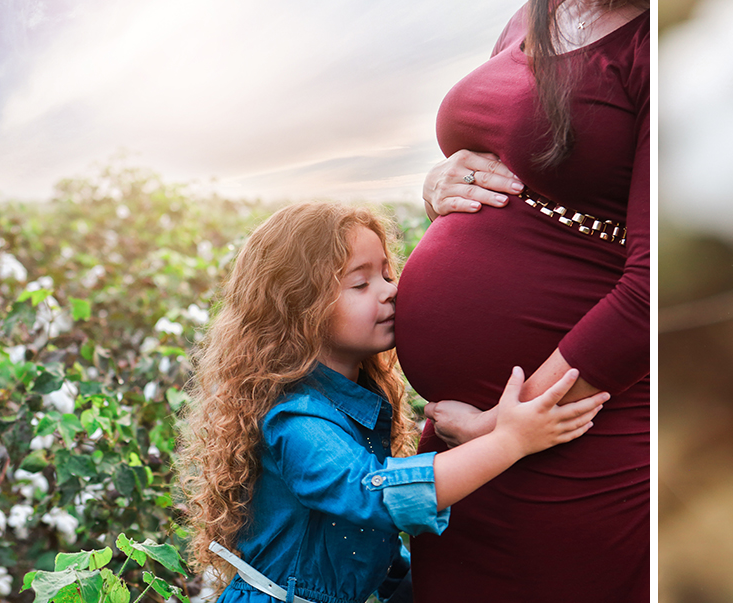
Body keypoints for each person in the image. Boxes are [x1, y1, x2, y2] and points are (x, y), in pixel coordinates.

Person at [176, 202, 608, 603]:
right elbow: (372, 497)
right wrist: (510, 440)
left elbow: (354, 538)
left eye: (387, 274)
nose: (389, 291)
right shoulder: (298, 419)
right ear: (299, 307)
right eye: (361, 283)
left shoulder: (357, 397)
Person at [394, 0, 649, 600]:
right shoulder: (533, 14)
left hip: (570, 445)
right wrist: (439, 183)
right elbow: (526, 169)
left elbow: (647, 289)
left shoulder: (651, 45)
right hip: (467, 448)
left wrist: (505, 429)